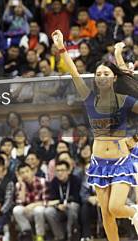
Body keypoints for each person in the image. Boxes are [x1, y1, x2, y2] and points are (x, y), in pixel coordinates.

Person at [52, 28, 138, 241]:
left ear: (114, 78)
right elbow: (73, 72)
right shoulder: (89, 98)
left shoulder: (125, 100)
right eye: (98, 74)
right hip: (98, 163)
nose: (101, 77)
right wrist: (61, 47)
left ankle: (135, 213)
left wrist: (135, 139)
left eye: (106, 73)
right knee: (106, 214)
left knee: (117, 208)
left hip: (122, 160)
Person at [43, 160, 81, 241]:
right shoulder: (54, 182)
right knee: (48, 211)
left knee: (72, 207)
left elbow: (76, 197)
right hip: (59, 208)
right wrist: (58, 205)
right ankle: (60, 237)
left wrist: (64, 203)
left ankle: (71, 235)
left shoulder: (75, 180)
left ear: (68, 171)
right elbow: (51, 200)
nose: (60, 173)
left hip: (72, 206)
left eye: (62, 170)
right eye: (58, 171)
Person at [12, 162, 46, 241]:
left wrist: (33, 205)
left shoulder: (42, 181)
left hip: (39, 209)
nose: (25, 174)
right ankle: (27, 233)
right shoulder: (18, 185)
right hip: (27, 210)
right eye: (22, 173)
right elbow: (20, 202)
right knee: (16, 209)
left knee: (39, 210)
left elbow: (46, 201)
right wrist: (22, 186)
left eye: (27, 171)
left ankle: (39, 236)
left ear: (32, 171)